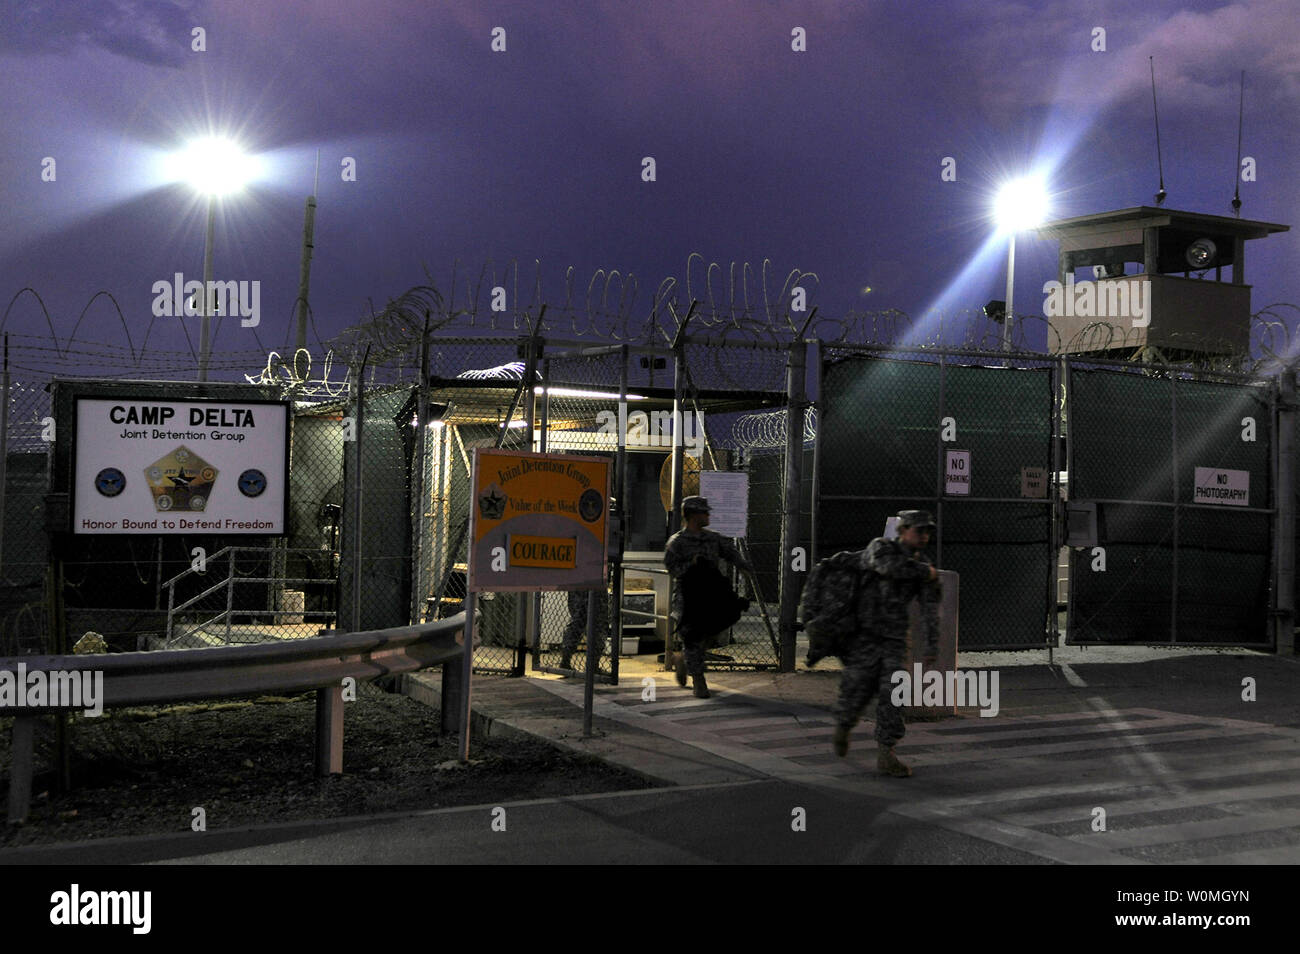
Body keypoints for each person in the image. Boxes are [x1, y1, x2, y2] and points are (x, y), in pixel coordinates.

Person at [831, 509, 941, 777]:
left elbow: (930, 609)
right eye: (919, 530)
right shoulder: (880, 547)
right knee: (857, 689)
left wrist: (932, 644)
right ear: (902, 531)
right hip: (863, 634)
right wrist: (924, 571)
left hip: (894, 638)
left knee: (894, 691)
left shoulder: (924, 567)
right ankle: (844, 726)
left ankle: (886, 752)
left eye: (928, 531)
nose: (925, 536)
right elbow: (886, 567)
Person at [663, 495, 751, 698]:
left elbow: (730, 552)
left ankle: (683, 659)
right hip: (689, 597)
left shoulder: (712, 538)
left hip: (711, 595)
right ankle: (698, 680)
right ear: (693, 515)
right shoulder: (678, 542)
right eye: (704, 512)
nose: (708, 515)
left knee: (709, 632)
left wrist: (743, 565)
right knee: (693, 636)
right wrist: (691, 565)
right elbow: (671, 567)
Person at [559, 588, 608, 671]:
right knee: (598, 624)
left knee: (577, 622)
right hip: (596, 583)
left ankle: (565, 660)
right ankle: (593, 665)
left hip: (578, 584)